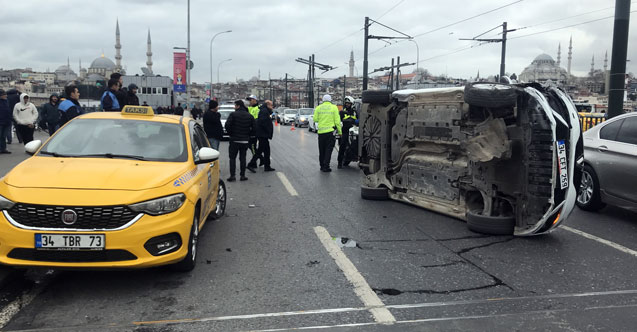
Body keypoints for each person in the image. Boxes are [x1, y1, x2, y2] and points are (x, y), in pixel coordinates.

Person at [224, 100, 255, 182]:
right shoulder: (249, 116)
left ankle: (233, 176)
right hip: (245, 140)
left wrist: (231, 133)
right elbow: (254, 128)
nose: (234, 107)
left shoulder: (233, 115)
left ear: (238, 106)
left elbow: (227, 125)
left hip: (234, 140)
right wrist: (248, 135)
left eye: (235, 106)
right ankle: (242, 175)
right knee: (243, 158)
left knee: (232, 158)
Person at [313, 94, 341, 172]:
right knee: (328, 150)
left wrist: (322, 120)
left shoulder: (318, 108)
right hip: (330, 132)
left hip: (321, 132)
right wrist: (340, 131)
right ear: (330, 100)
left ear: (323, 100)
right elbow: (337, 122)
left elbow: (315, 119)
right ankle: (326, 166)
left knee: (321, 150)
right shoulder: (334, 108)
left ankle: (321, 166)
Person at [247, 100, 275, 172]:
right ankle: (251, 164)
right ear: (268, 105)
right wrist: (267, 130)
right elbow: (263, 122)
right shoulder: (264, 111)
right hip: (262, 134)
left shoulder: (265, 110)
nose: (272, 107)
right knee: (260, 150)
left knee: (266, 150)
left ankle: (267, 166)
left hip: (263, 134)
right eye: (271, 105)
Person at [337, 96, 358, 169]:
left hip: (354, 130)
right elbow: (339, 120)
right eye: (346, 103)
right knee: (342, 145)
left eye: (349, 103)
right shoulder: (342, 111)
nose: (347, 105)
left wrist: (356, 121)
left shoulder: (355, 112)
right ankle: (339, 162)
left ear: (352, 104)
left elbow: (358, 119)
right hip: (345, 131)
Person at [246, 95, 260, 164]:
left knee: (252, 146)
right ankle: (260, 158)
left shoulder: (258, 108)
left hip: (254, 131)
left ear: (255, 100)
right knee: (251, 146)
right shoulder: (249, 108)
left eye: (250, 100)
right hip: (250, 130)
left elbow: (256, 120)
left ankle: (254, 162)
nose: (250, 101)